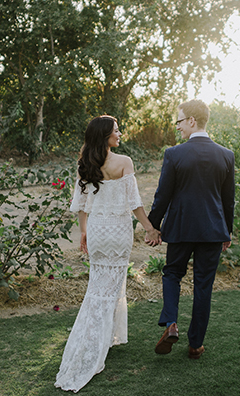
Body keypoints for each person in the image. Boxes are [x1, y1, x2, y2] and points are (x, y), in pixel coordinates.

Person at [55, 115, 161, 393]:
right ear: (104, 136)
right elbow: (135, 203)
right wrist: (150, 228)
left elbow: (80, 205)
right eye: (116, 130)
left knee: (98, 287)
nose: (120, 133)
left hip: (99, 230)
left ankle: (106, 337)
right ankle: (94, 346)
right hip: (119, 231)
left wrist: (84, 231)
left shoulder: (84, 165)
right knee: (110, 289)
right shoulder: (124, 162)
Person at [148, 99, 235, 360]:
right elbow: (228, 199)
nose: (178, 127)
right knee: (203, 286)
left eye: (179, 121)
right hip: (212, 230)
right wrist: (227, 231)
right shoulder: (226, 155)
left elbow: (163, 195)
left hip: (181, 227)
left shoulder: (174, 154)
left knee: (172, 273)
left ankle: (171, 323)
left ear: (192, 121)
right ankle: (195, 345)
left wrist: (153, 226)